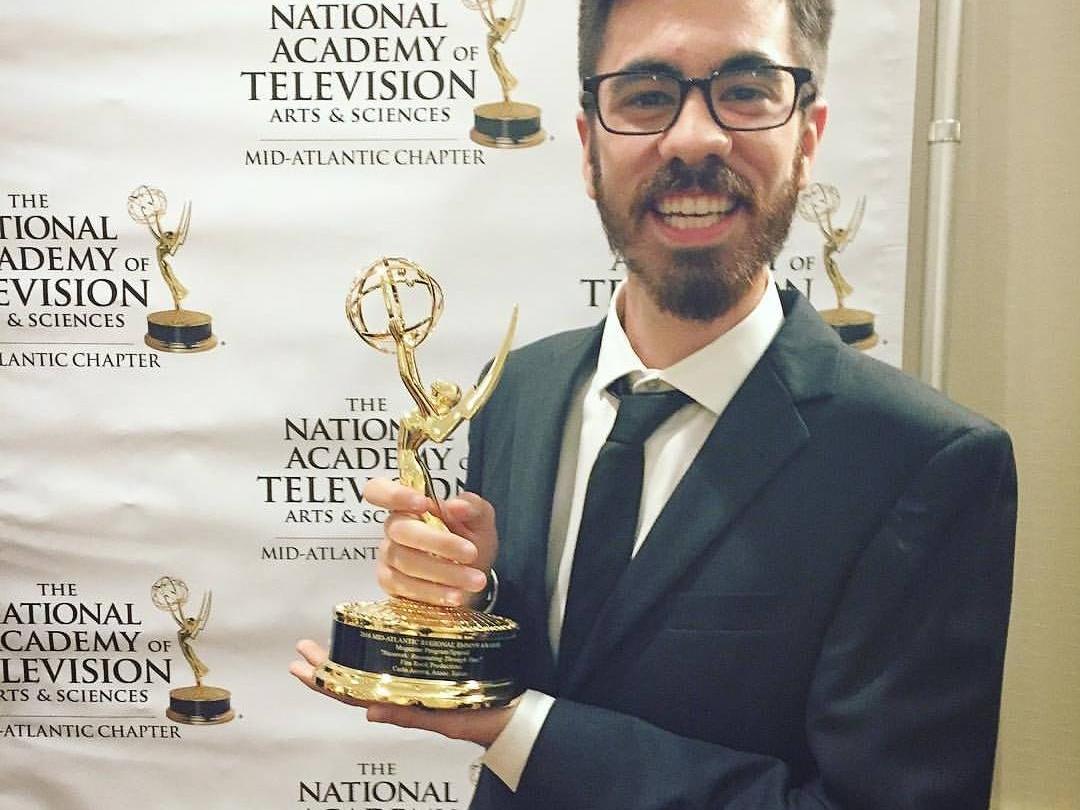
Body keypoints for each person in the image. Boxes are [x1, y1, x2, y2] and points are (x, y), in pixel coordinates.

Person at [291, 1, 1017, 807]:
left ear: (806, 141)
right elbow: (578, 657)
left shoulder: (924, 462)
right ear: (588, 149)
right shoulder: (520, 392)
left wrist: (516, 726)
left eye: (745, 90)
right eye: (644, 95)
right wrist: (471, 602)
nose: (694, 138)